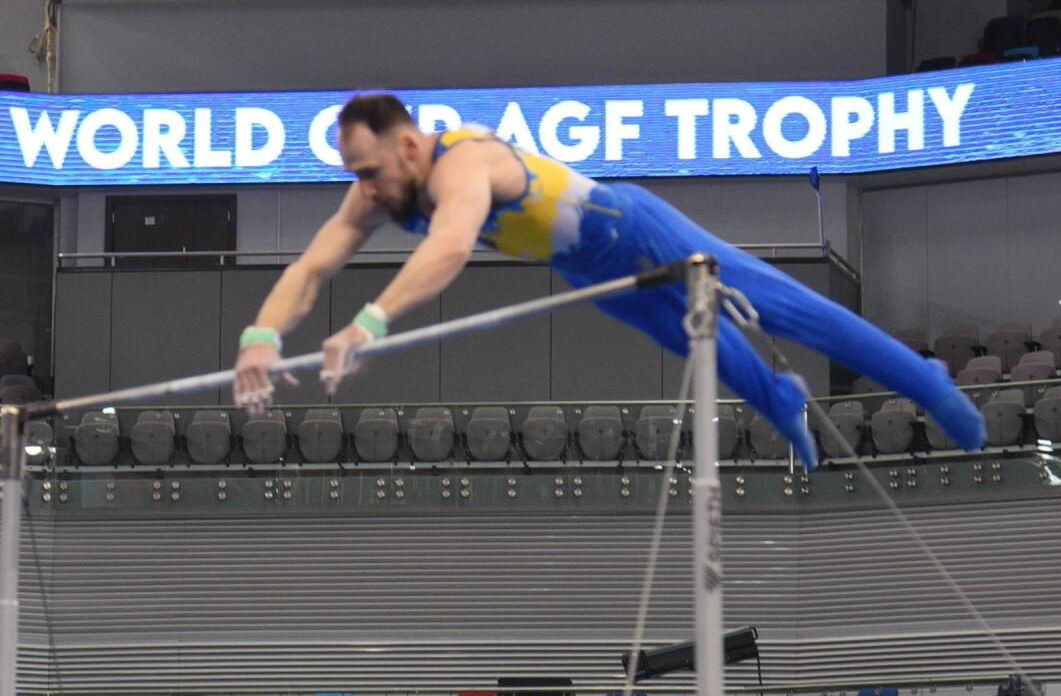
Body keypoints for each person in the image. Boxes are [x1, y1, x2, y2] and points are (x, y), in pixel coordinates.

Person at [233, 94, 985, 470]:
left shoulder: (462, 160)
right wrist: (261, 339)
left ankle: (926, 380)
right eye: (354, 175)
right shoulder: (379, 191)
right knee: (701, 344)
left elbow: (453, 247)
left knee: (788, 311)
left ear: (408, 143)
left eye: (368, 170)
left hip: (629, 225)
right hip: (586, 264)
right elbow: (309, 268)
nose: (362, 188)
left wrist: (369, 324)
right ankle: (779, 397)